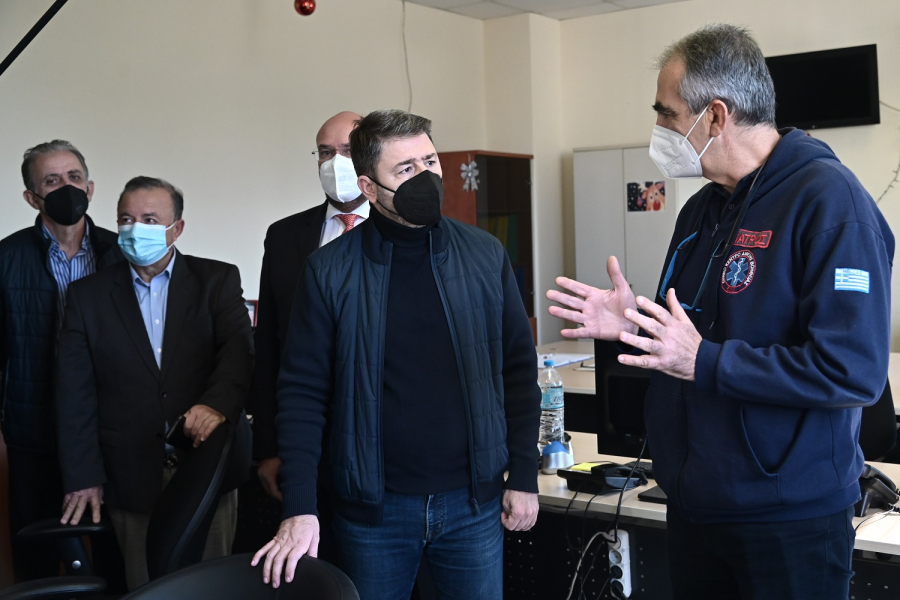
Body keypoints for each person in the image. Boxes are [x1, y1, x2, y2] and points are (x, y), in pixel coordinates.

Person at [547, 24, 894, 600]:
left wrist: (703, 362)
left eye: (667, 114)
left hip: (787, 517)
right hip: (695, 503)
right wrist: (633, 323)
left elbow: (852, 371)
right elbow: (694, 333)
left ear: (715, 116)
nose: (659, 129)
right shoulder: (703, 209)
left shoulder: (830, 201)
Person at [252, 109, 541, 597]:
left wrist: (525, 474)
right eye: (405, 169)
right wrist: (299, 506)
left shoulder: (485, 254)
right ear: (369, 187)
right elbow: (302, 393)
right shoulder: (328, 271)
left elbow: (517, 370)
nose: (425, 178)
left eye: (430, 161)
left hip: (473, 505)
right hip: (374, 512)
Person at [55, 176, 254, 590]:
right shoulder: (87, 296)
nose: (134, 229)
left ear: (176, 228)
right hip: (130, 474)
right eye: (126, 219)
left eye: (149, 219)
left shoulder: (216, 280)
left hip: (205, 468)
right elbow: (74, 394)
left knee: (211, 588)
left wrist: (216, 405)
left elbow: (239, 356)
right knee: (147, 588)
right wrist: (83, 474)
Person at [0, 140, 123, 581]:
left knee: (114, 554)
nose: (66, 188)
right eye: (51, 181)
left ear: (90, 188)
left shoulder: (120, 255)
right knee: (35, 553)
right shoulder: (6, 258)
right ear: (32, 197)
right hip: (32, 433)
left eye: (73, 177)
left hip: (107, 431)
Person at [251, 110, 368, 502]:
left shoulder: (402, 232)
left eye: (348, 151)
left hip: (383, 444)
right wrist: (268, 447)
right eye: (325, 152)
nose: (335, 163)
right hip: (305, 441)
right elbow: (269, 344)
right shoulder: (284, 236)